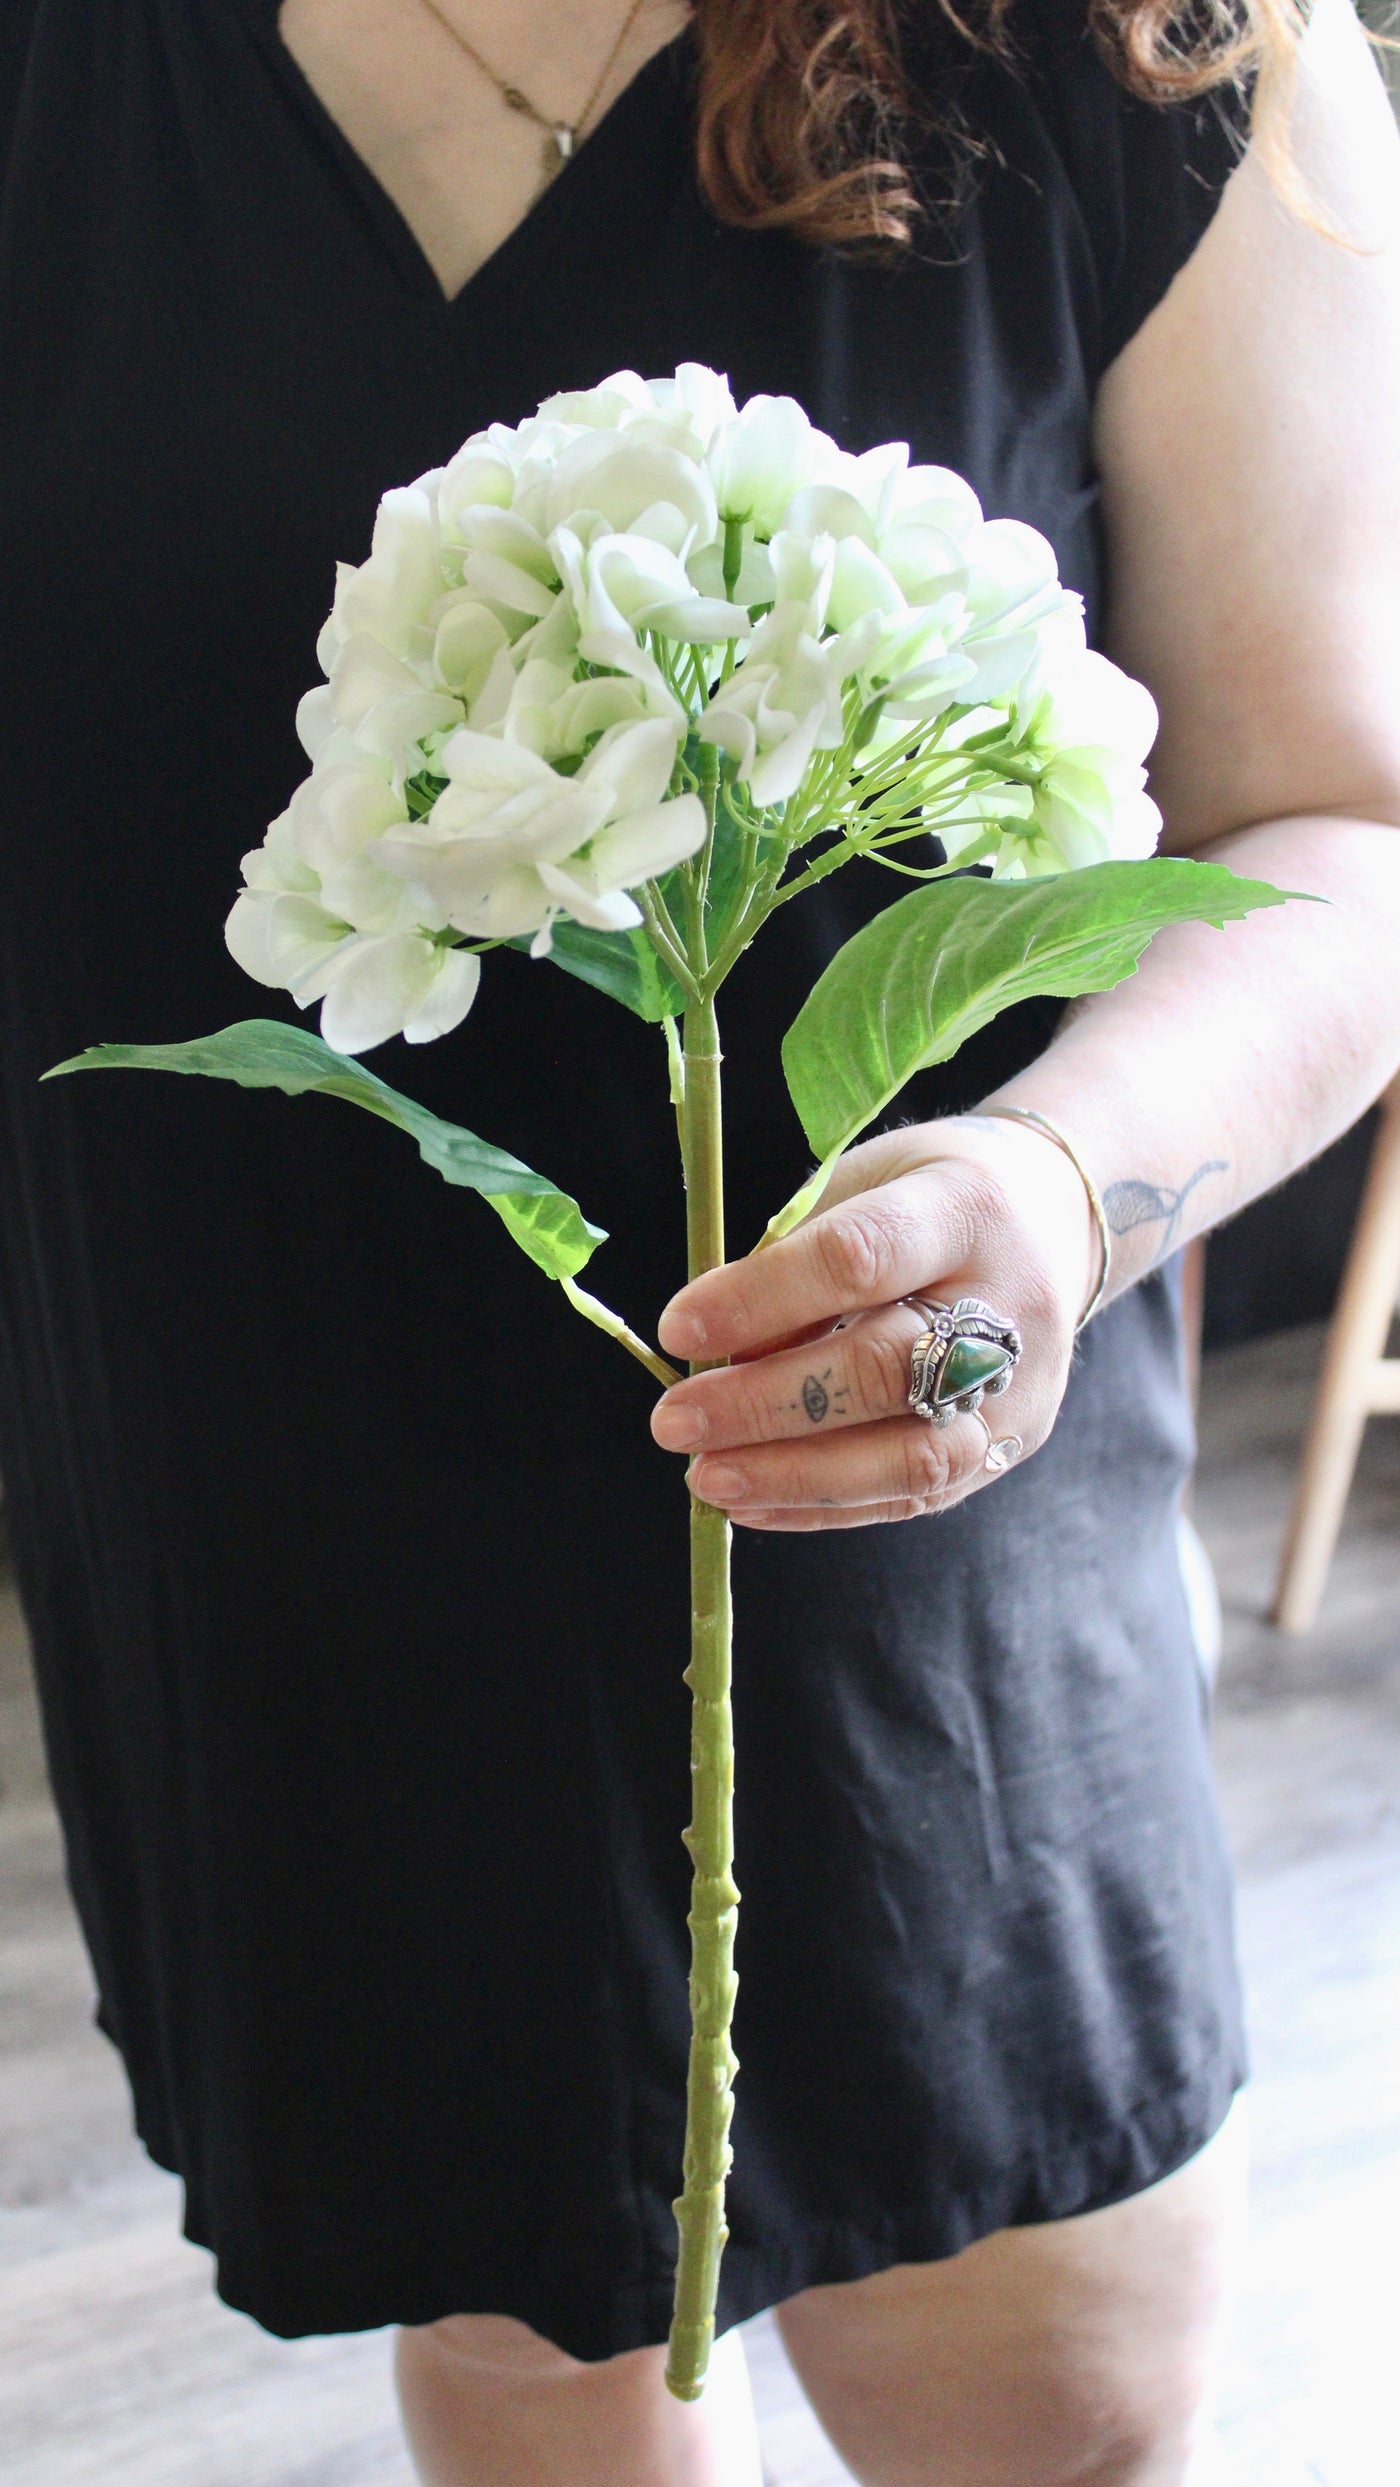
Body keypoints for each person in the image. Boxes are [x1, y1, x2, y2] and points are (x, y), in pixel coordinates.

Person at [3, 1, 1399, 2480]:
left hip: (928, 1467)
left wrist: (1059, 1183)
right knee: (531, 2332)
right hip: (298, 1534)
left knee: (1051, 2404)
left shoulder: (1153, 49)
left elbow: (1341, 823)